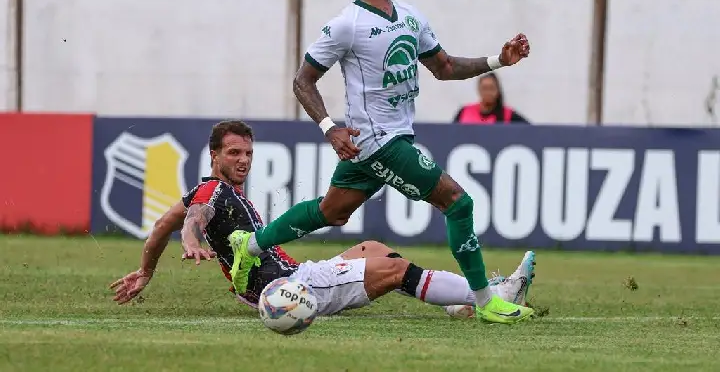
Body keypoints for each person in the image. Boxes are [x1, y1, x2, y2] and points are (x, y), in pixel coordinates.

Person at [225, 0, 534, 324]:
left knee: (331, 211)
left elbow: (445, 66)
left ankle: (249, 245)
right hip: (377, 141)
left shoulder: (410, 17)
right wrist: (329, 128)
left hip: (386, 139)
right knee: (458, 202)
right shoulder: (345, 25)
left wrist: (498, 60)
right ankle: (487, 301)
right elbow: (303, 82)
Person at [109, 121, 537, 319]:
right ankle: (493, 294)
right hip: (284, 289)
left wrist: (147, 270)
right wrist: (191, 236)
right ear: (214, 156)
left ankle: (459, 303)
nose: (243, 161)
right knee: (395, 269)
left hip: (289, 273)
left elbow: (164, 220)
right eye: (233, 153)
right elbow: (191, 218)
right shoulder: (213, 191)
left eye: (248, 153)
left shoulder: (221, 191)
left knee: (371, 248)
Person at [453, 72, 529, 124]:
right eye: (485, 88)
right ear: (479, 89)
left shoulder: (508, 115)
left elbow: (530, 130)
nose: (488, 92)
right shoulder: (464, 112)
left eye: (491, 88)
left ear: (498, 90)